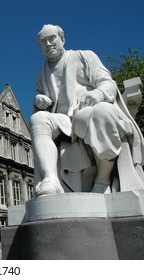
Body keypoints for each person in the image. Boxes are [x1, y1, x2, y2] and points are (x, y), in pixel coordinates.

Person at [31, 24, 144, 197]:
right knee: (38, 119)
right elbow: (41, 97)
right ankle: (51, 179)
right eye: (42, 42)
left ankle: (103, 179)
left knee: (100, 113)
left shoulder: (84, 56)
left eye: (51, 38)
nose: (48, 44)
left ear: (62, 38)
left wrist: (98, 94)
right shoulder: (42, 72)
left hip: (85, 110)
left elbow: (107, 83)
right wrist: (38, 100)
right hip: (61, 119)